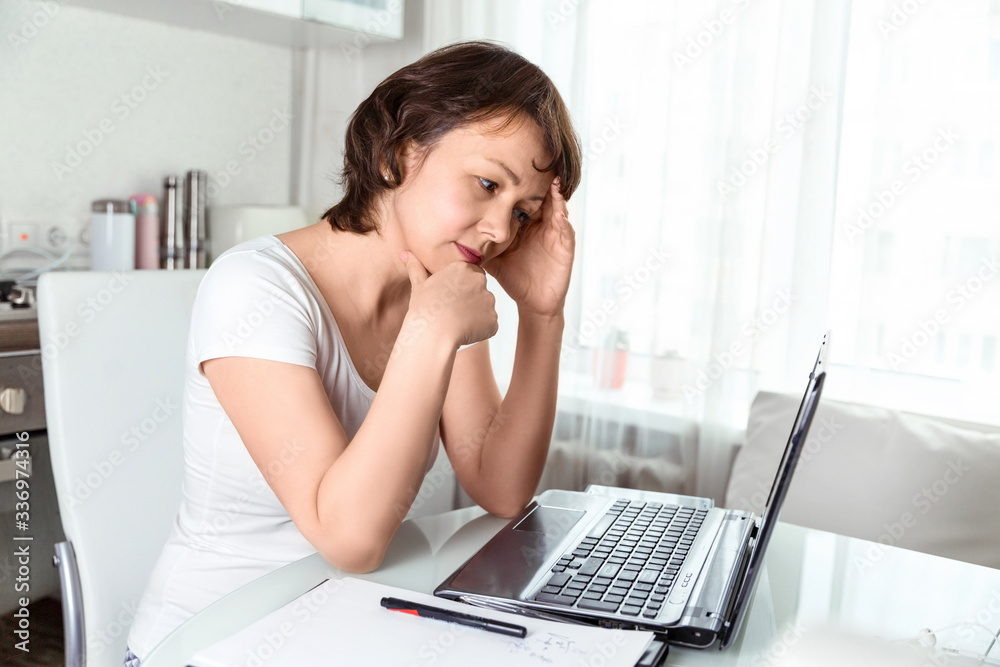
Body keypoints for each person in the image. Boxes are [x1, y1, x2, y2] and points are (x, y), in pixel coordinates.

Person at [123, 40, 582, 665]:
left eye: (523, 212)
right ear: (401, 152)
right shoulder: (255, 288)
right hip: (213, 640)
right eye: (486, 184)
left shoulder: (439, 288)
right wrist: (431, 332)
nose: (502, 231)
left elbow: (500, 487)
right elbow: (351, 540)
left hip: (342, 630)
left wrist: (543, 314)